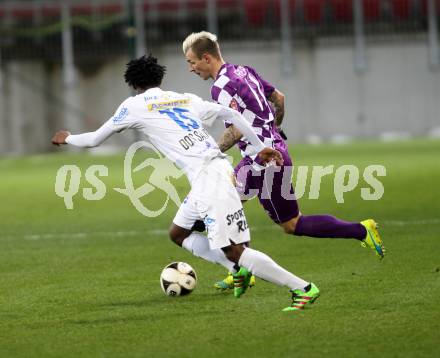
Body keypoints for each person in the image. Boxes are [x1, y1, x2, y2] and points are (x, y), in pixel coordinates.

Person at [51, 54, 320, 312]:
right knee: (178, 234)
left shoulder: (132, 106)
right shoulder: (183, 98)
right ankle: (236, 271)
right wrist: (260, 146)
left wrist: (68, 137)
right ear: (160, 79)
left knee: (234, 250)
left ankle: (301, 287)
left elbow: (95, 139)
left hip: (210, 179)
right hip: (214, 170)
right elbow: (234, 114)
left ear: (133, 84)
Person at [181, 31, 385, 291]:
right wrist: (273, 130)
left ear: (206, 58)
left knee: (291, 224)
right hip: (265, 155)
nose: (191, 68)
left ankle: (361, 230)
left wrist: (210, 152)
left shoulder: (220, 87)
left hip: (264, 163)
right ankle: (240, 268)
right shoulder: (244, 71)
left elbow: (235, 130)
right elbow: (279, 98)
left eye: (192, 62)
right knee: (222, 206)